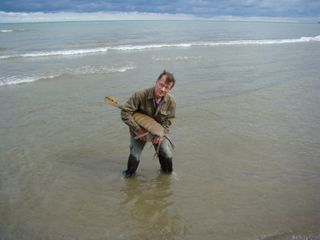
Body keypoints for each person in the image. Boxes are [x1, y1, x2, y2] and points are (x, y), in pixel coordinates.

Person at [121, 70, 176, 177]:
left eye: (167, 87)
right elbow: (125, 113)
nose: (163, 89)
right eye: (161, 85)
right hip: (138, 131)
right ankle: (127, 177)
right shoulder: (140, 95)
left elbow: (169, 120)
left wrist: (160, 135)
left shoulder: (171, 101)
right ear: (156, 82)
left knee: (167, 154)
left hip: (158, 132)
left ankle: (167, 176)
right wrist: (137, 129)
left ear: (170, 89)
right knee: (134, 156)